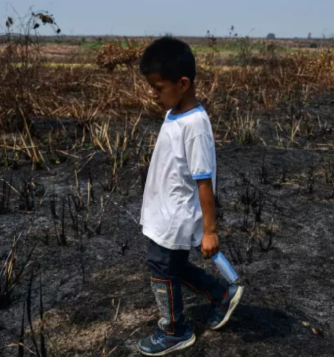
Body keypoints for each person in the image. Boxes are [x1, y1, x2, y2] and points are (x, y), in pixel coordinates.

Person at [137, 36, 244, 356]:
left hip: (176, 215)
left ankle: (174, 330)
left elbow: (204, 183)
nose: (153, 94)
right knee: (175, 266)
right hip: (164, 212)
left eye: (158, 87)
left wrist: (209, 231)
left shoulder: (195, 125)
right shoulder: (175, 113)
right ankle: (220, 294)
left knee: (162, 268)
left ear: (182, 84)